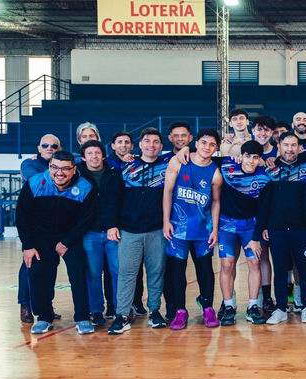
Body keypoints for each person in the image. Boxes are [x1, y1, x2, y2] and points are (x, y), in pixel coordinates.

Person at [17, 150, 96, 335]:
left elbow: (87, 219)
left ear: (74, 169)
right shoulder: (35, 183)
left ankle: (82, 317)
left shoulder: (85, 187)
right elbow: (22, 216)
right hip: (40, 237)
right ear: (49, 167)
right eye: (55, 167)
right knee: (38, 274)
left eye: (65, 169)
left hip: (70, 237)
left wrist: (66, 242)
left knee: (78, 273)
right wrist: (28, 246)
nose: (59, 173)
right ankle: (44, 317)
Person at [107, 127, 170, 335]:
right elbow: (113, 198)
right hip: (129, 230)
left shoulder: (167, 166)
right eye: (147, 141)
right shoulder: (125, 167)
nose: (151, 145)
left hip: (157, 230)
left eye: (156, 142)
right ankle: (122, 315)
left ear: (161, 146)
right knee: (127, 273)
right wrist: (111, 224)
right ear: (140, 144)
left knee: (156, 272)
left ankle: (154, 311)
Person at [162, 128, 223, 330]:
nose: (207, 147)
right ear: (196, 143)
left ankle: (208, 307)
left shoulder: (215, 173)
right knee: (177, 271)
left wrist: (215, 229)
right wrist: (166, 221)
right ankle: (180, 310)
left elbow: (216, 202)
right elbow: (168, 192)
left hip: (203, 230)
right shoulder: (178, 162)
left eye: (212, 144)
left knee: (205, 269)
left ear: (216, 148)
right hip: (178, 229)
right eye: (204, 142)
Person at [257, 133, 306, 325]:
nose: (290, 149)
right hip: (277, 230)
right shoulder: (269, 171)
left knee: (305, 269)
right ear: (279, 146)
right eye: (286, 145)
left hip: (302, 229)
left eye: (293, 145)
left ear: (299, 148)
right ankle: (281, 308)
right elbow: (264, 203)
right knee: (280, 270)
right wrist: (264, 226)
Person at [214, 140, 271, 325]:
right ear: (241, 156)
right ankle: (228, 306)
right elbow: (200, 155)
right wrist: (185, 149)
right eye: (247, 156)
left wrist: (256, 237)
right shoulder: (226, 166)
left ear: (260, 159)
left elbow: (263, 210)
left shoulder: (264, 178)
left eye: (255, 157)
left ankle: (252, 307)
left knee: (254, 263)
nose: (251, 161)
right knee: (227, 265)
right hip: (226, 227)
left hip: (250, 227)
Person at [78, 140, 124, 326]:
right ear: (83, 157)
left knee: (117, 272)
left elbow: (120, 202)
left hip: (113, 232)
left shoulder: (114, 174)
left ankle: (120, 309)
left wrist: (115, 224)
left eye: (97, 153)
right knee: (93, 273)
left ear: (103, 155)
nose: (94, 156)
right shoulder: (77, 175)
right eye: (90, 153)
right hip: (90, 232)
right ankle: (96, 310)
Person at [17, 133, 61, 323]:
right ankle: (25, 305)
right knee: (29, 264)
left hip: (56, 225)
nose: (49, 148)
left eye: (54, 146)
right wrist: (60, 173)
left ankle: (45, 305)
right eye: (45, 145)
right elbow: (35, 180)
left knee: (50, 266)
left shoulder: (63, 162)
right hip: (34, 226)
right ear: (38, 148)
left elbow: (80, 158)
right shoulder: (29, 163)